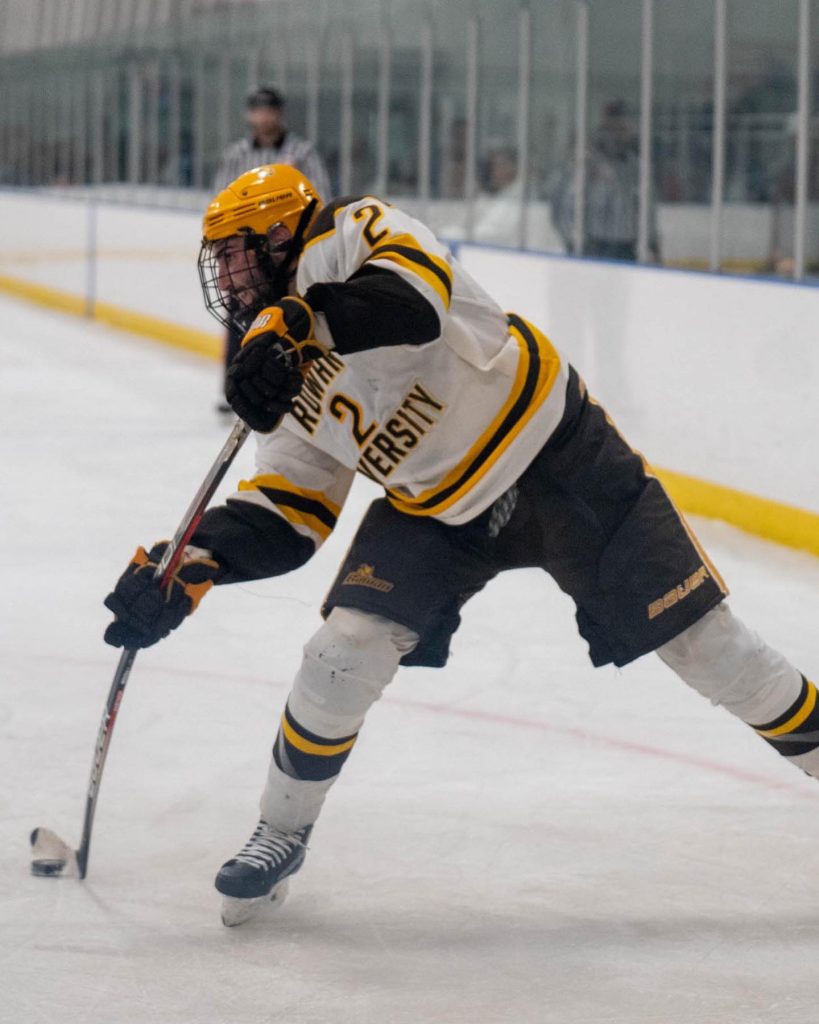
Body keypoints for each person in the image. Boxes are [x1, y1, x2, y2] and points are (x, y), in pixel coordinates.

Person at [104, 164, 816, 927]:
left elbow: (410, 303)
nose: (225, 275)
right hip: (435, 508)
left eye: (235, 253)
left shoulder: (355, 231)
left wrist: (300, 324)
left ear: (281, 234)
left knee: (713, 651)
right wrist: (193, 561)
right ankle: (280, 830)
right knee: (341, 652)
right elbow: (293, 507)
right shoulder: (271, 360)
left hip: (560, 459)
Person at [212, 86, 330, 414]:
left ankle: (298, 390)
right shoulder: (236, 155)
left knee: (290, 318)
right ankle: (236, 389)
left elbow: (318, 200)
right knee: (240, 320)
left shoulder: (302, 152)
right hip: (247, 255)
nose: (264, 116)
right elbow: (218, 201)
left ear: (279, 113)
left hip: (286, 254)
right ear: (250, 114)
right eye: (258, 110)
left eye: (270, 109)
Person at [549, 99, 660, 262]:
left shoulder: (636, 167)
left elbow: (646, 208)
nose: (619, 132)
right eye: (614, 126)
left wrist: (652, 244)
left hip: (626, 248)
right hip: (594, 246)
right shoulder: (585, 164)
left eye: (624, 127)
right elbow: (562, 206)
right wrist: (572, 242)